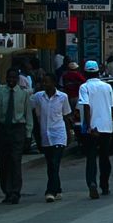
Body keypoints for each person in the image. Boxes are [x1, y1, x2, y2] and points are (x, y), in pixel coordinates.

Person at [0, 67, 32, 205]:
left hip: (18, 129)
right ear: (6, 78)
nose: (11, 80)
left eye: (14, 78)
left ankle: (15, 191)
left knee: (15, 160)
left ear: (18, 79)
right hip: (3, 129)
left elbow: (28, 115)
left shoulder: (24, 94)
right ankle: (6, 191)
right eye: (9, 78)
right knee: (4, 161)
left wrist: (28, 134)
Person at [77, 61, 113, 199]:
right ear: (98, 72)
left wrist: (88, 126)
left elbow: (86, 106)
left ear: (86, 73)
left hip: (93, 128)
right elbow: (112, 108)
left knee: (91, 157)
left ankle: (92, 183)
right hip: (106, 126)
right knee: (105, 157)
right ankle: (105, 185)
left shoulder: (84, 87)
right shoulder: (107, 87)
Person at [32, 73, 72, 202]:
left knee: (55, 162)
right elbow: (36, 114)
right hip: (45, 135)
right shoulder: (38, 97)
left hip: (58, 134)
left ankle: (50, 191)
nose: (45, 84)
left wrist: (69, 133)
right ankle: (58, 188)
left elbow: (66, 117)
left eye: (47, 82)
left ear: (54, 83)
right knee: (50, 164)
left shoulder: (62, 97)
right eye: (43, 82)